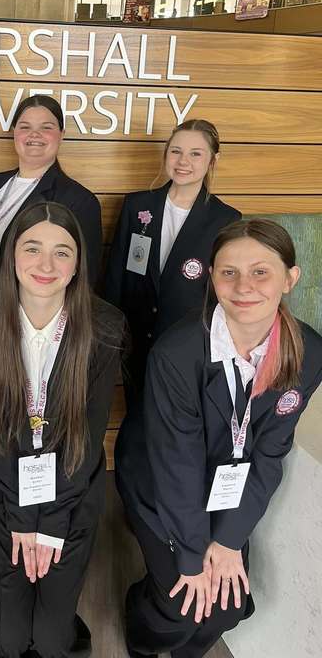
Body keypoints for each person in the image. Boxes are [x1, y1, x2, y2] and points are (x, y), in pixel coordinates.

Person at [118, 218, 322, 658]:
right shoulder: (177, 354)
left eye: (261, 272)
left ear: (290, 278)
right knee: (181, 606)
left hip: (224, 487)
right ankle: (141, 633)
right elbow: (177, 465)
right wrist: (193, 557)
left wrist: (228, 541)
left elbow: (269, 453)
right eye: (229, 272)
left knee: (226, 610)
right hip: (157, 480)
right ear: (211, 277)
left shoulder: (309, 352)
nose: (244, 286)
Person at [0, 201, 128, 658]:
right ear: (11, 255)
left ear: (77, 265)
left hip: (72, 494)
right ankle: (11, 617)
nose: (46, 264)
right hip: (5, 491)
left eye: (62, 252)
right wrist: (21, 520)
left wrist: (50, 525)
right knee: (13, 640)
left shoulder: (105, 326)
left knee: (54, 642)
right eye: (32, 248)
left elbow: (86, 438)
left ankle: (53, 617)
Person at [0, 93, 103, 514]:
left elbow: (83, 278)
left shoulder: (77, 199)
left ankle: (29, 497)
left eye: (46, 128)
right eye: (25, 127)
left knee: (25, 411)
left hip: (30, 326)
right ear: (13, 134)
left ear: (61, 136)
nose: (35, 136)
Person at [104, 119, 241, 411]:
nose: (183, 161)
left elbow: (222, 295)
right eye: (176, 151)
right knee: (136, 417)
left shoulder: (225, 219)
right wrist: (111, 335)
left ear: (213, 160)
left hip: (186, 346)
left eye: (195, 153)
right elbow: (116, 276)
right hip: (135, 343)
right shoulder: (137, 206)